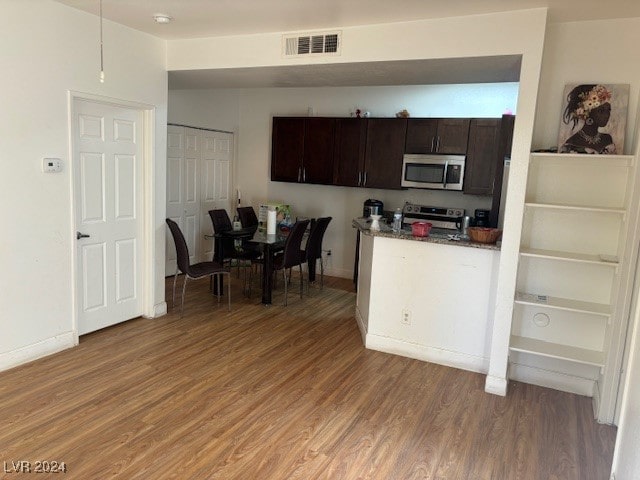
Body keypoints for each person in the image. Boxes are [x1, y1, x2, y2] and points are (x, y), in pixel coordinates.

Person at [559, 84, 616, 154]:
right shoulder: (572, 143)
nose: (607, 115)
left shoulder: (607, 139)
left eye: (608, 110)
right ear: (587, 112)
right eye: (601, 111)